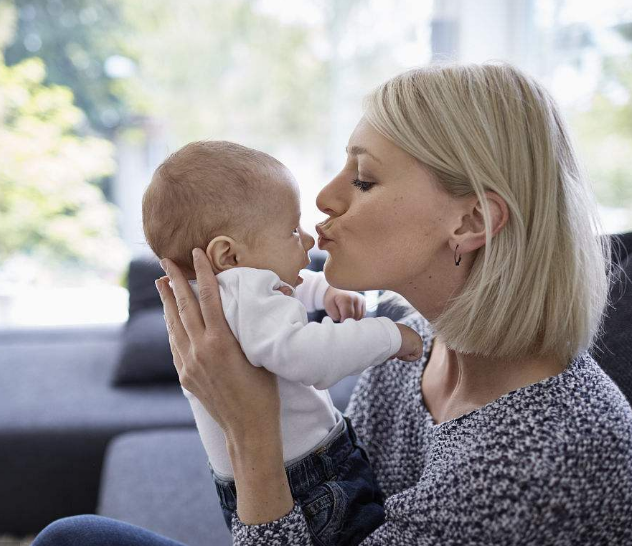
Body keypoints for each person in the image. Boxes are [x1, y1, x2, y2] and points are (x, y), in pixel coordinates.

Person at [33, 62, 632, 545]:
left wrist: (251, 434)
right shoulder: (413, 336)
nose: (325, 198)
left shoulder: (539, 459)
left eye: (363, 179)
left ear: (470, 221)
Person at [140, 140, 423, 546]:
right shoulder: (245, 289)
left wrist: (324, 292)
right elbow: (306, 357)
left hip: (252, 482)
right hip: (307, 480)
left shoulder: (221, 294)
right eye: (292, 230)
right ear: (229, 256)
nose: (307, 240)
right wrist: (389, 335)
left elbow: (286, 289)